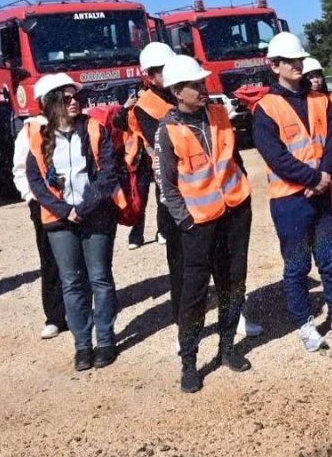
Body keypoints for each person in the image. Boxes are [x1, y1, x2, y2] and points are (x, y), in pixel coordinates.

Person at [153, 55, 253, 393]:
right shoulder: (167, 131)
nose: (202, 88)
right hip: (198, 224)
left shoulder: (219, 114)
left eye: (202, 83)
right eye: (195, 85)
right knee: (194, 294)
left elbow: (233, 157)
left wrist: (243, 193)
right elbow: (166, 185)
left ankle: (227, 349)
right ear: (177, 92)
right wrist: (186, 221)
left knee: (234, 282)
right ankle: (190, 362)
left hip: (235, 211)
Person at [253, 32, 332, 352]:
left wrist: (324, 176)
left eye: (299, 59)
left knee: (330, 260)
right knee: (297, 266)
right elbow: (276, 157)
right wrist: (313, 179)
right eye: (291, 61)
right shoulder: (265, 109)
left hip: (322, 193)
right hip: (290, 200)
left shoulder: (320, 100)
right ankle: (305, 323)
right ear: (275, 66)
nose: (298, 65)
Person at [25, 73, 124, 371]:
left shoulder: (95, 128)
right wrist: (65, 210)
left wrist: (85, 206)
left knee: (100, 278)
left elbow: (108, 173)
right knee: (71, 282)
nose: (74, 103)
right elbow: (37, 182)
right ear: (51, 103)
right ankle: (82, 346)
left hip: (95, 215)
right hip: (59, 220)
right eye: (66, 98)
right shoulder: (37, 137)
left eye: (76, 97)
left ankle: (105, 340)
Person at [13, 78, 67, 340]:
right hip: (43, 204)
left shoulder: (79, 125)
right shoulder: (30, 130)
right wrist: (31, 197)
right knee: (50, 260)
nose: (68, 102)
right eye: (62, 98)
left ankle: (80, 308)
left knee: (80, 259)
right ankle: (55, 316)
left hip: (75, 202)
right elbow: (20, 170)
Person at [123, 42, 178, 250]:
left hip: (171, 159)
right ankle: (137, 234)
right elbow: (158, 136)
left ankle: (162, 229)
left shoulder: (178, 92)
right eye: (162, 70)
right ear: (150, 76)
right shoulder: (144, 103)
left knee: (163, 196)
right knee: (144, 194)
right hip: (149, 157)